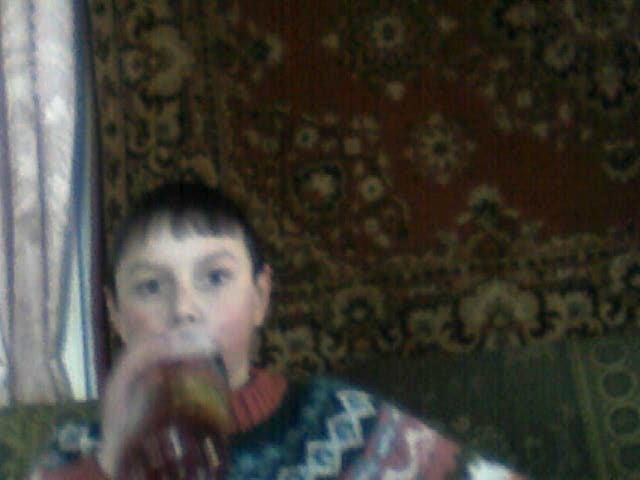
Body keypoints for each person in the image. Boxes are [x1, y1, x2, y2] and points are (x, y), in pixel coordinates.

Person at [31, 181, 526, 479]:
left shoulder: (345, 424)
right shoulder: (82, 449)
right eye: (150, 286)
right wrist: (112, 463)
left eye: (215, 278)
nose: (184, 310)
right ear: (116, 316)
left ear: (260, 298)